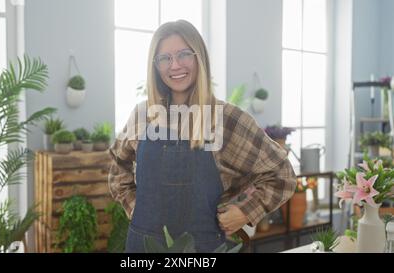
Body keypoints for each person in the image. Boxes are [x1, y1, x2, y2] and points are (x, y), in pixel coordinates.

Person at [108, 20, 296, 253]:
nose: (174, 65)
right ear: (155, 66)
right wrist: (136, 207)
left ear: (200, 58)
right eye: (165, 58)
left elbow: (282, 174)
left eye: (184, 54)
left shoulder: (226, 119)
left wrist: (245, 212)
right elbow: (118, 168)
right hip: (143, 248)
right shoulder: (142, 115)